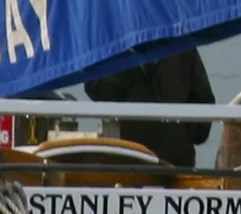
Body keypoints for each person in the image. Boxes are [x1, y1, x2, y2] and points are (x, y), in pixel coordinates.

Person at [84, 47, 215, 170]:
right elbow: (96, 89)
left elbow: (202, 99)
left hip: (175, 165)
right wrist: (127, 60)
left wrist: (184, 136)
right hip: (127, 163)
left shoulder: (180, 45)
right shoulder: (112, 46)